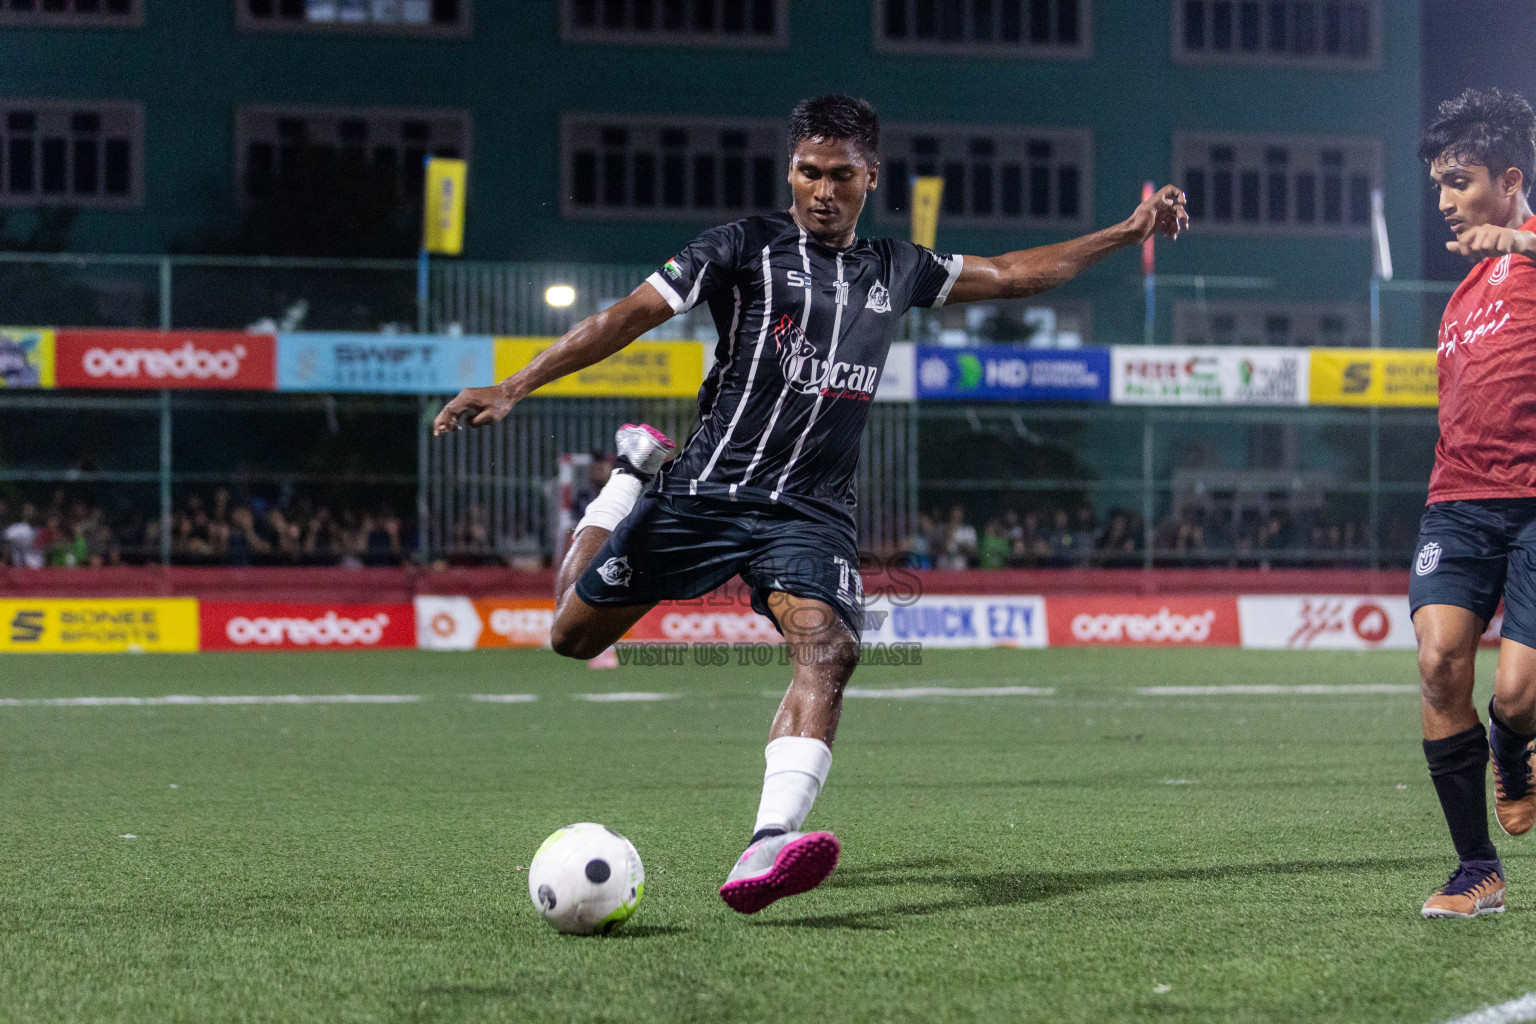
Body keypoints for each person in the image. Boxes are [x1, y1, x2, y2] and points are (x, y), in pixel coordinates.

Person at [433, 95, 1186, 914]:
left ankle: (766, 843)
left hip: (811, 512)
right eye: (807, 172)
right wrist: (515, 385)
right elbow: (629, 316)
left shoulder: (898, 269)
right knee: (571, 637)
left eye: (840, 176)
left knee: (829, 646)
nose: (821, 190)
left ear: (870, 178)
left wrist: (1128, 230)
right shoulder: (739, 247)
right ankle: (628, 474)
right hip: (706, 492)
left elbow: (1011, 275)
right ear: (791, 170)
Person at [1411, 88, 1536, 919]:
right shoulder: (1459, 297)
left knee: (1520, 696)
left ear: (1511, 178)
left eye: (1461, 181)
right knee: (1437, 664)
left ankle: (1515, 748)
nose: (1449, 202)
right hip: (1456, 503)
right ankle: (1475, 871)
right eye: (1439, 188)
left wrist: (1525, 241)